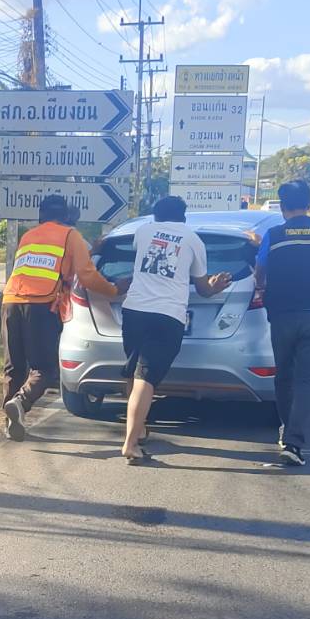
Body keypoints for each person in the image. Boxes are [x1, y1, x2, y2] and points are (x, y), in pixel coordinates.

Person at [0, 195, 122, 442]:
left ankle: (10, 421)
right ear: (65, 216)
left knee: (14, 367)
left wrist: (91, 251)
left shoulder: (28, 236)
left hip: (10, 301)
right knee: (45, 368)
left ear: (40, 215)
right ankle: (21, 403)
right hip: (42, 305)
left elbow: (50, 262)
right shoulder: (70, 235)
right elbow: (87, 275)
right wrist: (113, 290)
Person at [118, 196, 231, 463]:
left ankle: (139, 430)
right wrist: (216, 285)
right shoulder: (193, 240)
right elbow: (203, 289)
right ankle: (130, 444)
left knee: (134, 372)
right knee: (146, 378)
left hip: (133, 311)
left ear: (155, 216)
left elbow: (142, 258)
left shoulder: (143, 231)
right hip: (167, 316)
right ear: (184, 216)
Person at [254, 180, 310, 467]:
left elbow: (260, 269)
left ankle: (286, 431)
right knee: (308, 380)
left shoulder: (274, 235)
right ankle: (293, 442)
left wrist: (261, 286)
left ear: (282, 206)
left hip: (283, 315)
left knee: (284, 376)